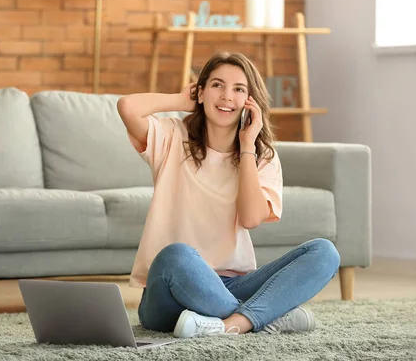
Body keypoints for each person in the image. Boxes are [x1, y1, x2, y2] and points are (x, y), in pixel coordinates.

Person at [117, 52, 340, 338]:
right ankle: (262, 317)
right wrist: (179, 100)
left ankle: (232, 325)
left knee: (324, 253)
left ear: (251, 101)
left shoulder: (263, 157)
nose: (226, 97)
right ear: (201, 91)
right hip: (169, 291)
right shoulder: (172, 136)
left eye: (239, 89)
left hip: (231, 283)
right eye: (217, 85)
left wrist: (247, 146)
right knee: (176, 255)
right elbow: (127, 107)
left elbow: (250, 218)